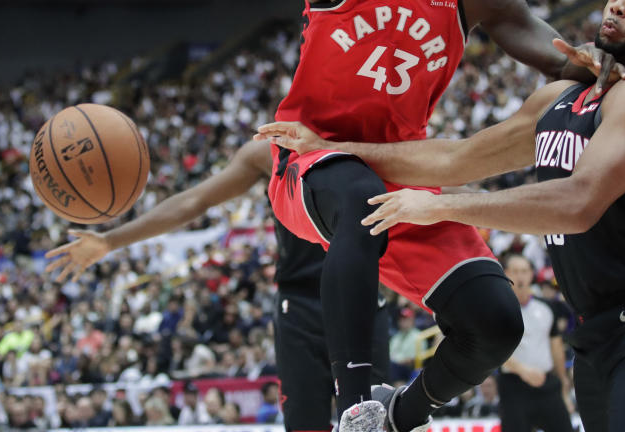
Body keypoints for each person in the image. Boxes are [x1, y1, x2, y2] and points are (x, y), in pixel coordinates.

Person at [92, 0, 611, 432]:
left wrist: (596, 61)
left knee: (495, 321)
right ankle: (357, 405)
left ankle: (398, 415)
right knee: (357, 196)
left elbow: (557, 57)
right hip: (307, 157)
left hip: (403, 168)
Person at [261, 0, 625, 430]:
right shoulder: (561, 97)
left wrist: (440, 205)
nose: (620, 4)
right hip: (598, 331)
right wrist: (332, 148)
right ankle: (398, 413)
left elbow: (576, 204)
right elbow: (456, 158)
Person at [45, 139, 391, 432]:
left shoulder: (371, 141)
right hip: (299, 305)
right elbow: (194, 201)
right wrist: (110, 241)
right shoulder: (269, 150)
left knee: (375, 421)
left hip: (359, 298)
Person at [497, 253, 572, 432]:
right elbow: (493, 351)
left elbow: (556, 348)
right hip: (513, 386)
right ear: (506, 274)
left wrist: (563, 387)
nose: (520, 276)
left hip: (547, 384)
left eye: (524, 271)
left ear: (531, 274)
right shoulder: (497, 309)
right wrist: (523, 370)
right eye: (514, 271)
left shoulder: (547, 307)